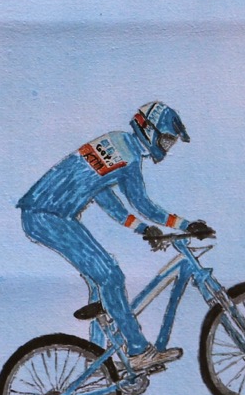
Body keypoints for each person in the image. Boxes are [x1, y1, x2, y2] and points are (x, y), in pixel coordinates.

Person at [17, 101, 214, 370]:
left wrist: (142, 229)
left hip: (44, 213)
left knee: (100, 283)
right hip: (50, 216)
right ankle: (138, 350)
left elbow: (102, 195)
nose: (167, 148)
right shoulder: (130, 157)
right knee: (111, 275)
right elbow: (143, 205)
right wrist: (186, 225)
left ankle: (98, 361)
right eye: (166, 140)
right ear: (149, 130)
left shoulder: (117, 142)